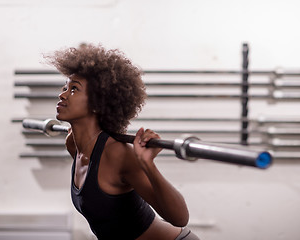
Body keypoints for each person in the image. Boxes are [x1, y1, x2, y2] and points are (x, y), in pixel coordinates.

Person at [45, 43, 200, 240]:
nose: (63, 94)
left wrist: (148, 165)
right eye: (65, 87)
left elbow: (180, 217)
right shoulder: (74, 146)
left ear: (97, 103)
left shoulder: (118, 154)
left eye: (74, 89)